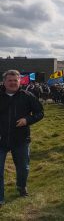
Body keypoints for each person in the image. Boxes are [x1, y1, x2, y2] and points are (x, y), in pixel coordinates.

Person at [0, 70, 44, 205]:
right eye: (10, 80)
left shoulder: (27, 96)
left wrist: (27, 119)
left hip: (21, 139)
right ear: (4, 82)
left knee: (23, 168)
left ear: (19, 81)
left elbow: (40, 112)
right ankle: (0, 198)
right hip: (1, 139)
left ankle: (21, 185)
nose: (13, 83)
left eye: (15, 80)